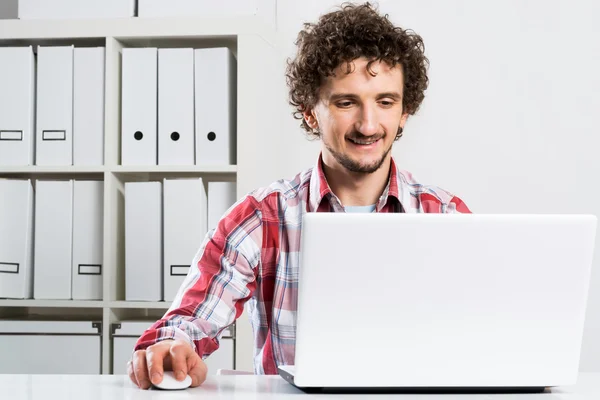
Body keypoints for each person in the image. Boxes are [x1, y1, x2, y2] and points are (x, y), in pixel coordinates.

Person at [128, 2, 471, 389]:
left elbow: (489, 327)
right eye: (346, 102)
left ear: (405, 111)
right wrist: (172, 346)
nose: (368, 123)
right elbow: (190, 319)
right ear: (310, 112)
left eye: (385, 101)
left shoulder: (445, 215)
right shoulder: (262, 217)